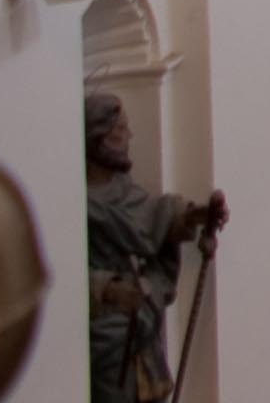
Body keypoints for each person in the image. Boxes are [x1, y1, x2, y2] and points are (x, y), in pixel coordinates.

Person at [85, 92, 220, 403]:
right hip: (105, 334)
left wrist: (198, 215)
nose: (128, 135)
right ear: (99, 136)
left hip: (140, 326)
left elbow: (152, 216)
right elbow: (64, 273)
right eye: (121, 128)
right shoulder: (77, 203)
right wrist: (106, 288)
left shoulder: (125, 190)